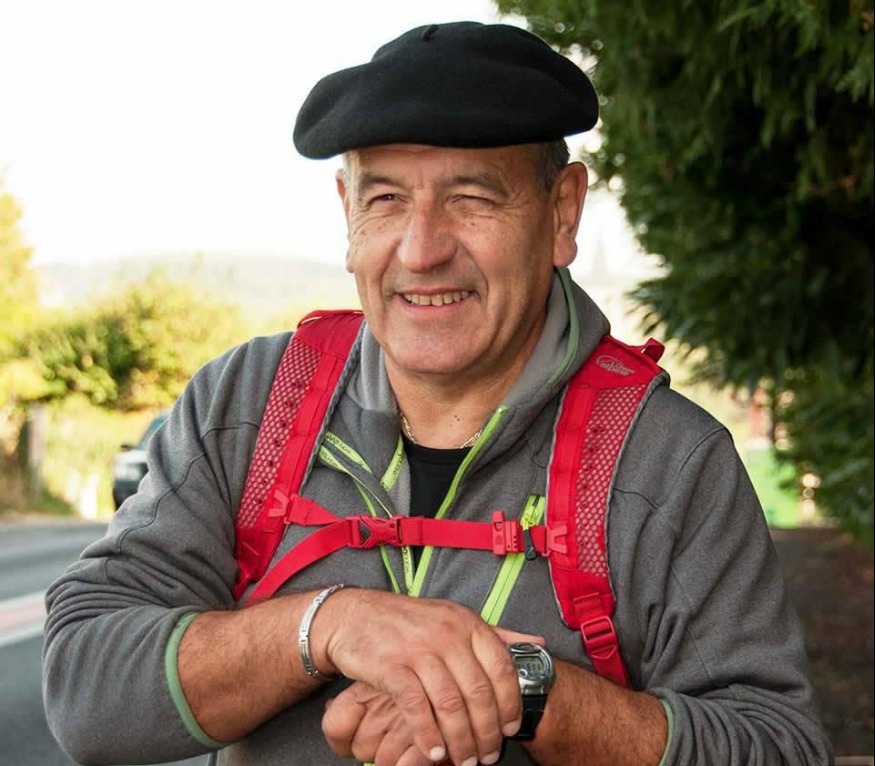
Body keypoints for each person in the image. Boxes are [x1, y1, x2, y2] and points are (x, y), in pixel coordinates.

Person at [43, 20, 833, 766]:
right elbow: (84, 688)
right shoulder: (246, 405)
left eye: (472, 197)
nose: (421, 251)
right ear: (347, 212)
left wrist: (523, 693)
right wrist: (327, 625)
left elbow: (777, 745)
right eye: (386, 198)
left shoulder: (668, 459)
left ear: (562, 213)